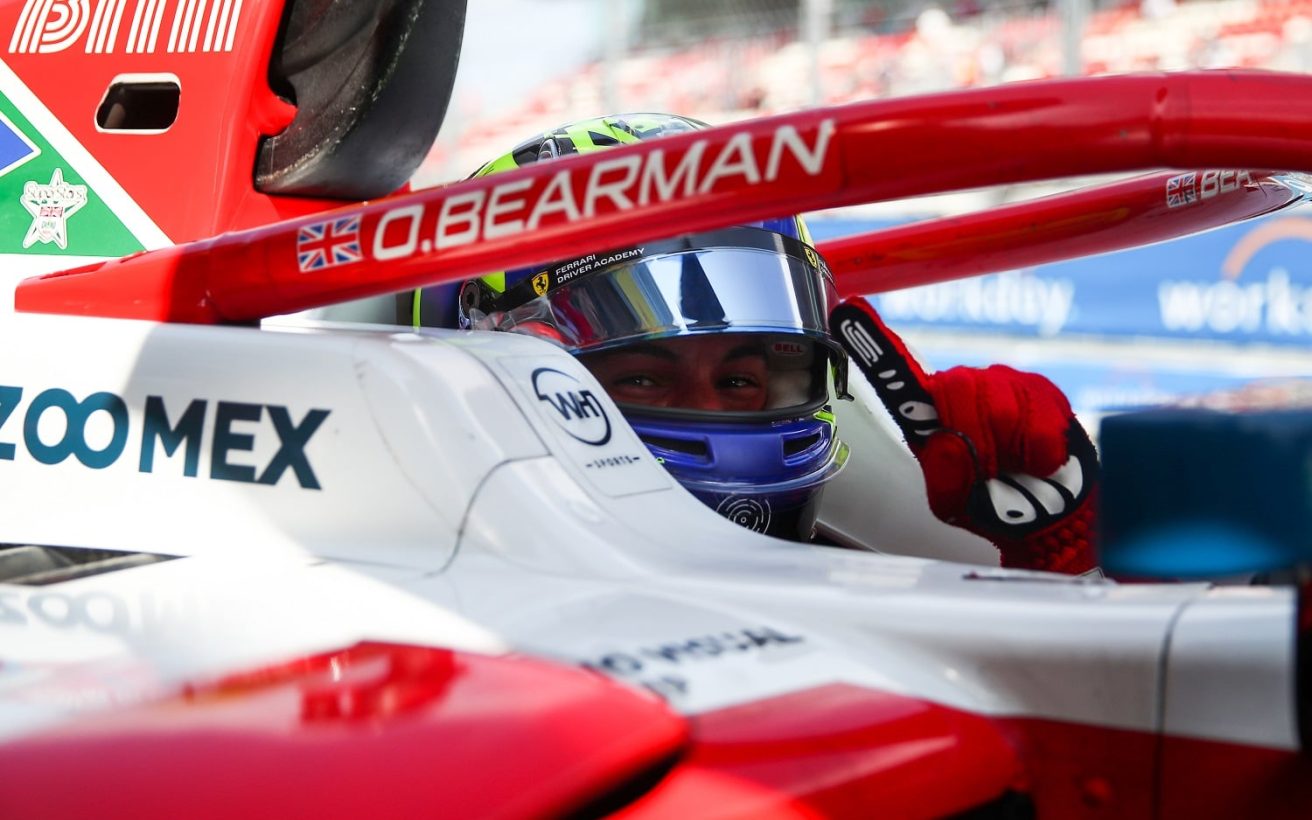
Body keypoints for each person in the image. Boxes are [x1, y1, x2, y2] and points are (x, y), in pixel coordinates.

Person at [413, 114, 1097, 574]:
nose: (714, 412)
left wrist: (1060, 562)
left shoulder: (867, 584)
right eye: (644, 380)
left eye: (742, 382)